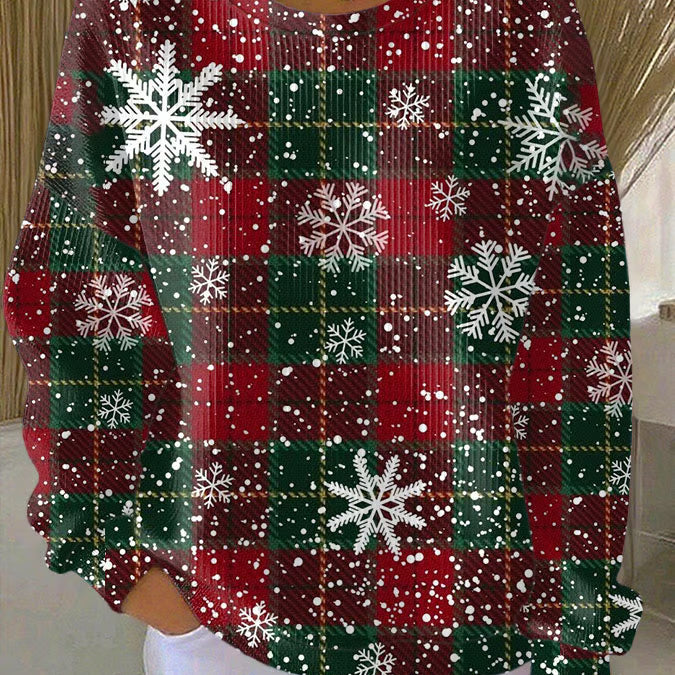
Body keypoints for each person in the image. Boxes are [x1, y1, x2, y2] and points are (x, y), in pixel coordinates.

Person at [3, 0, 642, 673]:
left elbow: (577, 327)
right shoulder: (134, 18)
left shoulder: (523, 20)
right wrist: (124, 566)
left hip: (482, 615)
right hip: (218, 621)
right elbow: (77, 296)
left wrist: (578, 613)